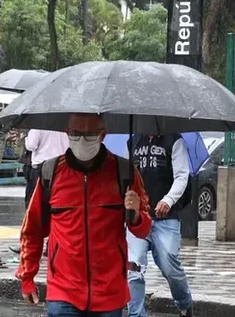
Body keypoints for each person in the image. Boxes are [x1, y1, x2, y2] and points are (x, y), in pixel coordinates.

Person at [17, 114, 152, 317]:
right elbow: (32, 230)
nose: (81, 140)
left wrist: (135, 215)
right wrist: (27, 277)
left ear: (102, 135)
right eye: (75, 133)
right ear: (67, 133)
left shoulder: (124, 172)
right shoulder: (51, 172)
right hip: (63, 290)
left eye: (89, 134)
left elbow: (144, 230)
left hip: (109, 292)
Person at [126, 134, 194, 317]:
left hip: (166, 218)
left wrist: (168, 200)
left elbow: (181, 176)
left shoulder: (174, 141)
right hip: (138, 218)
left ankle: (184, 303)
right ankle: (137, 314)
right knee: (133, 270)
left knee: (169, 265)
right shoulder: (133, 142)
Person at [24, 129, 70, 209]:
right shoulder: (65, 125)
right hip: (61, 164)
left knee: (37, 199)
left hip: (41, 165)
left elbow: (31, 146)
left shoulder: (37, 127)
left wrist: (26, 139)